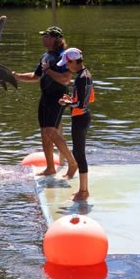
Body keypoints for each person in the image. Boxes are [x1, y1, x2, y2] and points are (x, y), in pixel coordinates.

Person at [13, 26, 78, 178]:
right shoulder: (45, 56)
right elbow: (36, 76)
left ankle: (72, 163)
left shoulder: (64, 56)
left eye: (46, 36)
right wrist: (16, 76)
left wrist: (48, 70)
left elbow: (66, 79)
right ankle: (50, 168)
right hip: (45, 97)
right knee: (44, 133)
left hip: (59, 97)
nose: (43, 38)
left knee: (51, 131)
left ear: (55, 38)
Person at [57, 48, 94, 200]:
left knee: (79, 154)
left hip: (81, 118)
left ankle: (84, 191)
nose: (66, 67)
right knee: (78, 152)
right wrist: (70, 99)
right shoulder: (84, 75)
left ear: (73, 61)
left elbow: (81, 103)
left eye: (67, 63)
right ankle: (83, 189)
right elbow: (87, 99)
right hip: (80, 117)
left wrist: (66, 103)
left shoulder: (82, 78)